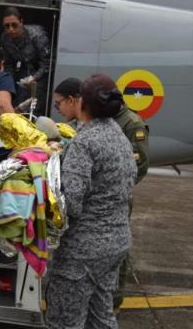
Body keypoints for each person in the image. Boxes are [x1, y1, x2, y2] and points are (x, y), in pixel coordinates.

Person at [46, 74, 137, 329]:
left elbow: (70, 204)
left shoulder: (84, 142)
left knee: (65, 321)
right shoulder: (117, 133)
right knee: (101, 317)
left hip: (83, 251)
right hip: (115, 243)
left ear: (81, 102)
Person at [0, 6, 51, 115]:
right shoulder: (5, 38)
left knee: (36, 106)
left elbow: (47, 62)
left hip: (40, 72)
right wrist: (8, 81)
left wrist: (34, 77)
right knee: (18, 105)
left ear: (21, 22)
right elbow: (9, 64)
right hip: (22, 71)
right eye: (7, 26)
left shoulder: (37, 35)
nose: (10, 29)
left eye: (14, 25)